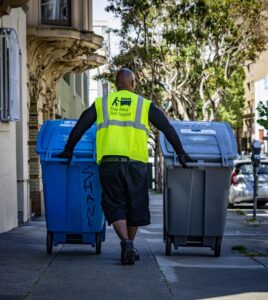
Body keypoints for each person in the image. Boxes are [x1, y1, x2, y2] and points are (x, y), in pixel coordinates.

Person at [59, 68, 191, 265]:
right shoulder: (144, 105)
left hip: (110, 163)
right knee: (135, 206)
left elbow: (81, 125)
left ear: (116, 84)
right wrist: (181, 153)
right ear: (133, 83)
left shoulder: (103, 103)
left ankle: (126, 243)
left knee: (115, 205)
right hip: (136, 165)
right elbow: (167, 127)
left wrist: (68, 149)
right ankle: (130, 244)